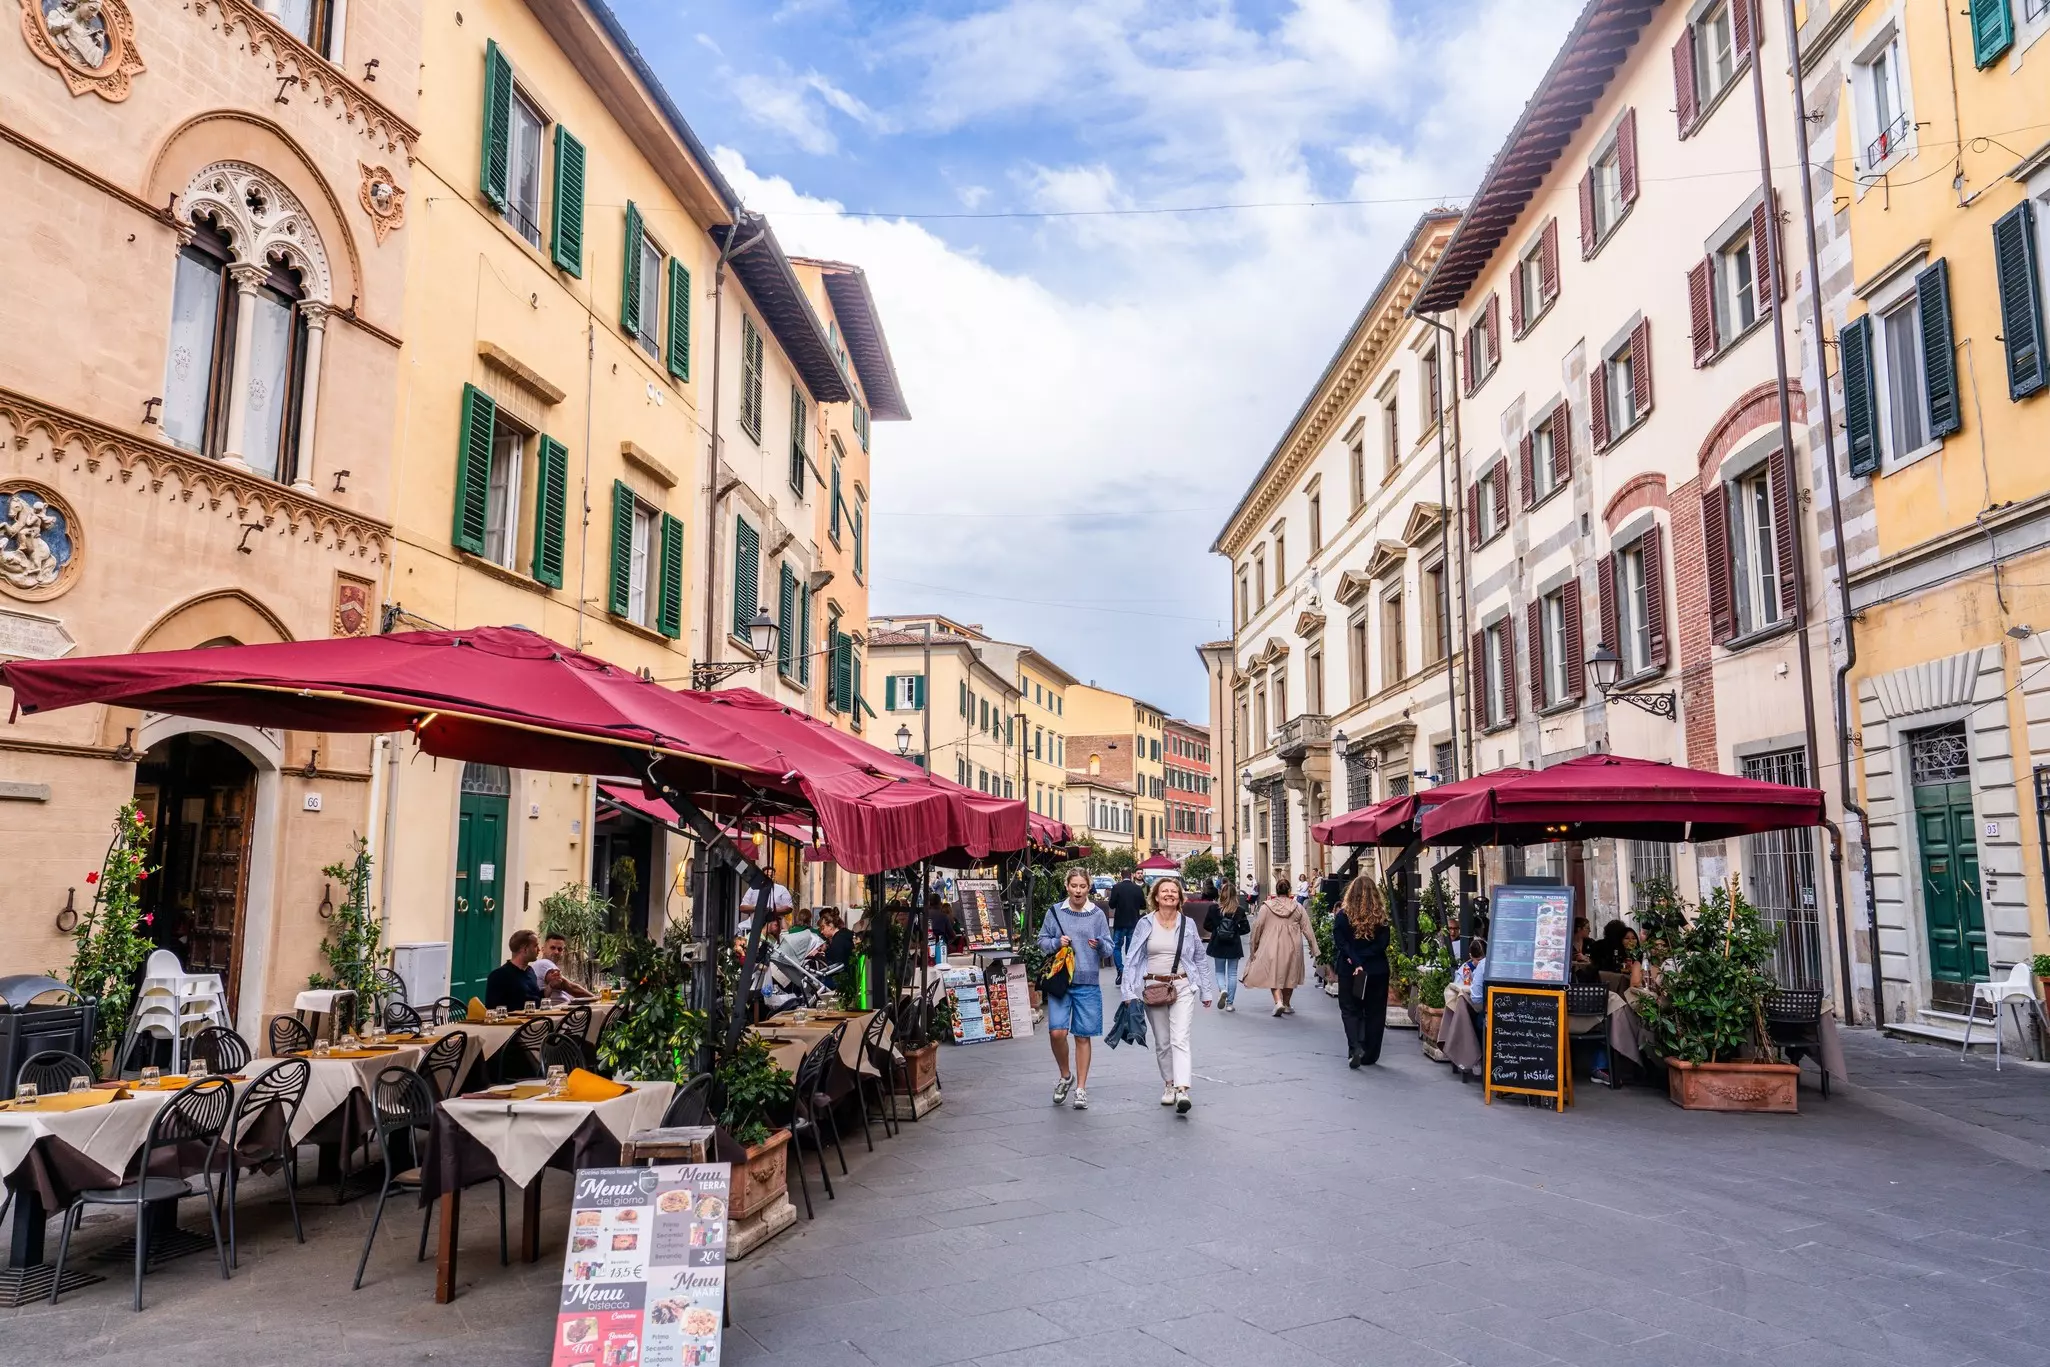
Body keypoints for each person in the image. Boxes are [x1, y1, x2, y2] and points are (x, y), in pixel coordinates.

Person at [1119, 876, 1215, 1113]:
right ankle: (1169, 1085)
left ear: (1180, 897)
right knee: (1162, 1042)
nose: (1170, 894)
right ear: (1156, 897)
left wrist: (1206, 989)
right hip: (1152, 988)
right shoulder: (1145, 923)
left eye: (1174, 891)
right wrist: (1127, 990)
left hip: (1182, 986)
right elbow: (1132, 958)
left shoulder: (1188, 924)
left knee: (1179, 1038)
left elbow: (1200, 958)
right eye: (1165, 891)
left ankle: (1183, 1089)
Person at [1039, 869, 1113, 1109]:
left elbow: (1109, 948)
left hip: (1088, 982)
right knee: (1057, 1032)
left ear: (1089, 887)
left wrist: (1100, 944)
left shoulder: (1097, 915)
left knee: (1082, 1036)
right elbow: (1042, 941)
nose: (1079, 891)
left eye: (1083, 886)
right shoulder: (1055, 911)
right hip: (1062, 981)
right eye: (1074, 886)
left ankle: (1080, 1088)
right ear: (1067, 886)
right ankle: (1065, 1075)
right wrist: (1055, 942)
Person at [1332, 877, 1391, 1068]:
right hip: (1376, 969)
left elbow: (1342, 943)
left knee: (1350, 1009)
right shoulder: (1381, 917)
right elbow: (1382, 945)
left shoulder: (1342, 916)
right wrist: (1365, 959)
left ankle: (1355, 1046)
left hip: (1350, 969)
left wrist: (1356, 961)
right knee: (1375, 1011)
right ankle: (1371, 1053)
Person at [1242, 871, 1313, 1015]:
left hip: (1271, 944)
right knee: (1290, 975)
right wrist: (1314, 947)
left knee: (1273, 973)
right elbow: (1307, 927)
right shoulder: (1298, 907)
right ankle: (1286, 1003)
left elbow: (1257, 927)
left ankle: (1278, 1001)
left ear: (1276, 891)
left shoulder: (1266, 907)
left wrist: (1254, 946)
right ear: (1289, 891)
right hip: (1293, 945)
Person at [1202, 885, 1251, 1012]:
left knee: (1219, 971)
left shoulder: (1214, 909)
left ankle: (1222, 989)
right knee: (1233, 973)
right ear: (1235, 895)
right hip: (1233, 945)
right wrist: (1234, 932)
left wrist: (1217, 931)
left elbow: (1206, 925)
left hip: (1218, 943)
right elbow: (1246, 928)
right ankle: (1230, 1003)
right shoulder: (1239, 910)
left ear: (1221, 894)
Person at [485, 929, 544, 1011]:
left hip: (535, 1020)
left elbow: (535, 999)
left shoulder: (530, 971)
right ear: (525, 949)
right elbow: (492, 1009)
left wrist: (551, 986)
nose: (539, 949)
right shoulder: (499, 976)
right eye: (535, 946)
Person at [532, 932, 596, 1003]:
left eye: (560, 949)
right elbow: (572, 988)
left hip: (563, 1009)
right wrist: (596, 999)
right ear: (543, 949)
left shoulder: (541, 965)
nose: (556, 952)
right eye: (552, 948)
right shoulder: (544, 963)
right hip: (556, 1011)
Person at [1105, 868, 1147, 975]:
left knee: (1117, 947)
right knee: (1131, 947)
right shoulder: (1137, 889)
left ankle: (1120, 969)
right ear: (1132, 875)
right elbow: (1143, 905)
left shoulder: (1116, 887)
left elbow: (1111, 905)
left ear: (1121, 876)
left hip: (1119, 922)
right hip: (1134, 922)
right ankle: (1129, 970)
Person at [1452, 937, 1488, 1005]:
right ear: (1471, 956)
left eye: (1483, 960)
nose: (1481, 963)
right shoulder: (1466, 970)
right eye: (1478, 960)